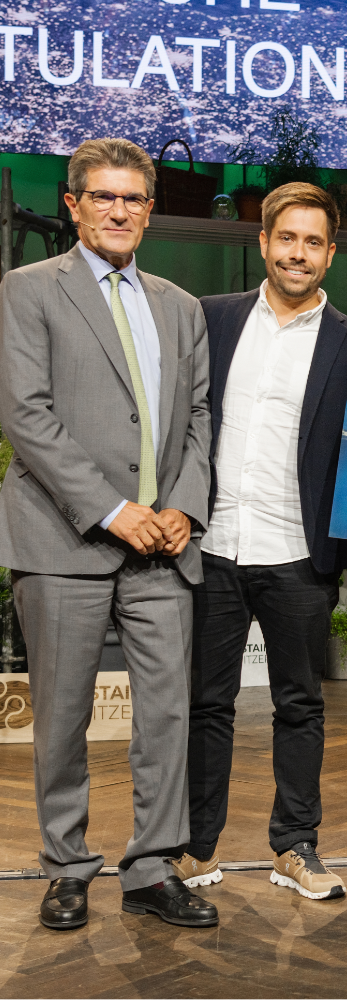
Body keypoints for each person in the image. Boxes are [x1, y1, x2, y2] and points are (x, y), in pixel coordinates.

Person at [0, 138, 214, 929]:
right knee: (62, 717)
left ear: (149, 211)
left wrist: (183, 506)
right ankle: (67, 865)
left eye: (133, 199)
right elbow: (25, 414)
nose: (119, 211)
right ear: (73, 204)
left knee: (167, 717)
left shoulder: (180, 305)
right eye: (103, 197)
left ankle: (153, 868)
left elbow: (198, 417)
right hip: (65, 541)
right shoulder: (28, 290)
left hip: (163, 548)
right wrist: (111, 509)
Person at [173, 183, 347, 901]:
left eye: (313, 242)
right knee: (206, 705)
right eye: (286, 238)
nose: (298, 253)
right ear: (263, 242)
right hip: (214, 546)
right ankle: (195, 849)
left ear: (331, 253)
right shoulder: (211, 319)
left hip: (299, 553)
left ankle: (295, 846)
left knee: (301, 705)